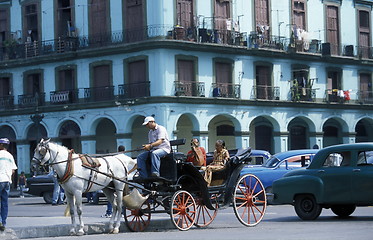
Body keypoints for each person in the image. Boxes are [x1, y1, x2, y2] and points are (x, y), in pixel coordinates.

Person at [102, 145, 126, 218]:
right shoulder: (126, 158)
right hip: (122, 177)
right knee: (121, 196)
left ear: (118, 150)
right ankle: (122, 212)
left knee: (110, 195)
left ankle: (109, 212)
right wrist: (128, 172)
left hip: (113, 176)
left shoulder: (115, 157)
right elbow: (135, 165)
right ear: (124, 150)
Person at [0, 138, 17, 231]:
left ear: (2, 145)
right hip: (7, 181)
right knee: (4, 202)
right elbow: (13, 170)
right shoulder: (10, 156)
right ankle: (3, 222)